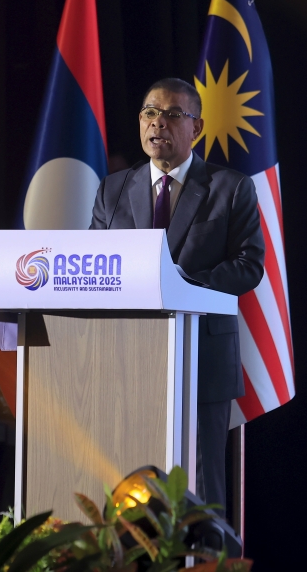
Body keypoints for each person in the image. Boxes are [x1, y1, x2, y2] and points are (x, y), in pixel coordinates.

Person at [89, 77, 264, 510]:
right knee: (128, 486)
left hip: (201, 358)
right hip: (127, 360)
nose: (158, 123)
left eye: (171, 114)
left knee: (200, 490)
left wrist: (181, 286)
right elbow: (94, 264)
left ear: (196, 128)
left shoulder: (230, 187)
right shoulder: (113, 189)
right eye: (150, 113)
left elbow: (249, 265)